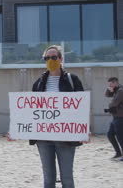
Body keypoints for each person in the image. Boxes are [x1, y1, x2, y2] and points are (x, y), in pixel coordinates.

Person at [31, 45, 84, 188]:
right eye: (47, 58)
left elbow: (81, 108)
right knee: (48, 180)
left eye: (54, 57)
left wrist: (83, 130)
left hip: (65, 136)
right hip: (43, 138)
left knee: (67, 179)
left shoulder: (72, 79)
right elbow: (31, 111)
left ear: (61, 59)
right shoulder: (39, 83)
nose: (50, 60)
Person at [104, 77, 123, 161]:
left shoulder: (120, 91)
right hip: (116, 117)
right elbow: (107, 95)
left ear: (115, 82)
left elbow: (115, 103)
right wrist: (109, 89)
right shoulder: (116, 90)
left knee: (120, 137)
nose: (109, 85)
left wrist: (110, 105)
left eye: (111, 84)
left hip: (120, 117)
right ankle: (118, 153)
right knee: (110, 134)